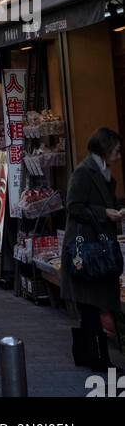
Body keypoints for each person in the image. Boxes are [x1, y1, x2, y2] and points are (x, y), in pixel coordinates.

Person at [61, 126, 125, 372]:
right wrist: (105, 212)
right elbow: (74, 206)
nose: (118, 156)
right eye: (117, 151)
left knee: (93, 305)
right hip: (86, 250)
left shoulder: (103, 172)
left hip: (98, 248)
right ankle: (99, 360)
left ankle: (91, 355)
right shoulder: (83, 172)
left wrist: (114, 209)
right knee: (91, 305)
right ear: (106, 148)